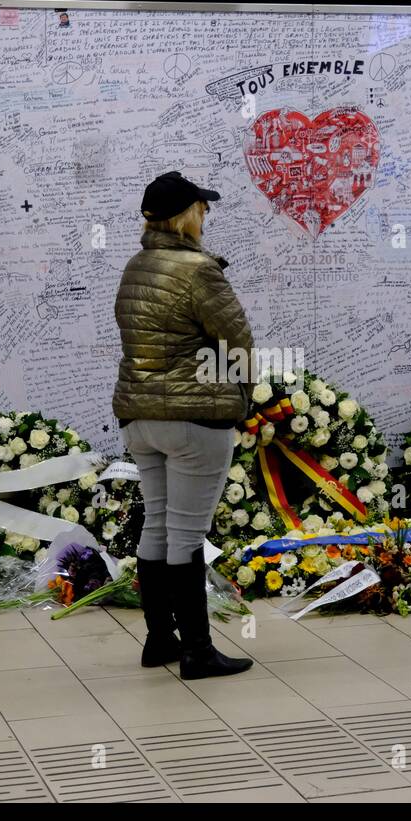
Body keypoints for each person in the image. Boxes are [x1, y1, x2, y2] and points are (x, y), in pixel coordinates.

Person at [113, 171, 254, 680]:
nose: (206, 216)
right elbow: (238, 341)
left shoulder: (135, 267)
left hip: (140, 418)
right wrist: (243, 400)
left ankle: (159, 640)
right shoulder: (199, 271)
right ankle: (197, 650)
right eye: (202, 207)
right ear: (185, 214)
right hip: (194, 419)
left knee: (156, 524)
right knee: (187, 534)